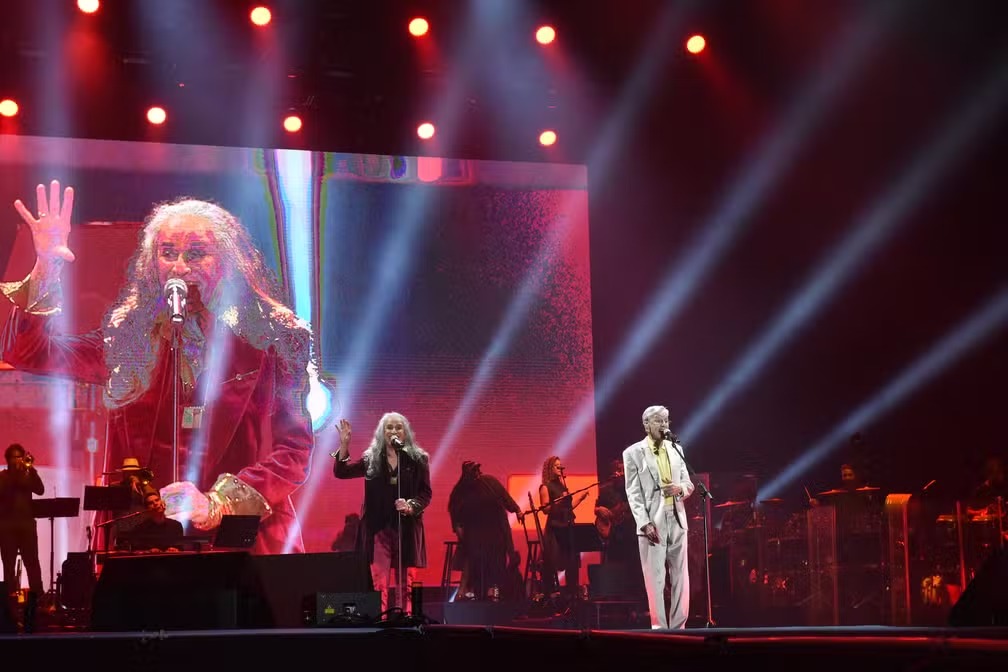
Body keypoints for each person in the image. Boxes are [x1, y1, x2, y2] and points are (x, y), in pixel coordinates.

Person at [1, 180, 316, 555]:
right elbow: (30, 351)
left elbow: (294, 451)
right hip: (143, 544)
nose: (179, 267)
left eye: (197, 253)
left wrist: (218, 503)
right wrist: (47, 266)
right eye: (167, 252)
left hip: (244, 543)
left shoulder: (277, 335)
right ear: (153, 262)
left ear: (229, 260)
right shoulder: (129, 336)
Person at [333, 413, 432, 615]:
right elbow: (342, 473)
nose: (393, 431)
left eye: (398, 427)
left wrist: (411, 505)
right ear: (382, 432)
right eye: (389, 427)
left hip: (406, 527)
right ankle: (382, 620)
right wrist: (344, 445)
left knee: (407, 582)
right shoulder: (371, 459)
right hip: (379, 529)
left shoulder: (417, 459)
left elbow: (425, 492)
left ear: (405, 432)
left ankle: (407, 620)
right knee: (379, 581)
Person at [623, 405, 694, 629]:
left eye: (666, 421)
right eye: (659, 421)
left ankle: (679, 627)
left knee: (680, 576)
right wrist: (644, 523)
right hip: (653, 521)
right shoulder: (633, 453)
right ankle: (660, 629)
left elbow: (689, 483)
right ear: (646, 425)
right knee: (655, 578)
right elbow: (633, 493)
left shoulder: (676, 449)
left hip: (678, 518)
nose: (664, 425)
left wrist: (680, 489)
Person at [447, 460, 523, 601]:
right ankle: (475, 591)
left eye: (477, 470)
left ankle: (493, 590)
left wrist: (516, 509)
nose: (477, 473)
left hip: (495, 530)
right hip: (475, 531)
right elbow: (455, 511)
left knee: (496, 557)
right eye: (473, 470)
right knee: (475, 557)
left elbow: (505, 497)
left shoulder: (490, 483)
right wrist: (458, 530)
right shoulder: (461, 491)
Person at [0, 443, 45, 632]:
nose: (18, 460)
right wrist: (19, 473)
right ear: (8, 460)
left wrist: (31, 470)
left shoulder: (29, 474)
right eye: (15, 457)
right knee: (8, 566)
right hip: (7, 527)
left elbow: (40, 490)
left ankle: (38, 605)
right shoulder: (3, 477)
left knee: (32, 564)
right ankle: (9, 609)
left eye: (21, 457)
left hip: (26, 525)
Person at [538, 455, 588, 597]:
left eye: (560, 465)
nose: (560, 468)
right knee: (554, 562)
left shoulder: (562, 485)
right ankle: (552, 594)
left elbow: (568, 507)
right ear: (550, 468)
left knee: (572, 562)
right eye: (556, 466)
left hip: (568, 526)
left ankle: (572, 594)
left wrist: (580, 498)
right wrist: (561, 500)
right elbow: (545, 509)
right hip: (556, 529)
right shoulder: (546, 486)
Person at [594, 458, 637, 565]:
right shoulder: (606, 489)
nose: (621, 473)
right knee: (614, 562)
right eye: (619, 470)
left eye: (624, 470)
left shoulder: (632, 489)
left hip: (630, 532)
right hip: (613, 534)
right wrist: (599, 509)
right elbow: (596, 508)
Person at [116, 491, 185, 552]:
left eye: (157, 500)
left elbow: (181, 547)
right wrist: (148, 551)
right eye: (150, 503)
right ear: (147, 509)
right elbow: (136, 549)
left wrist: (175, 549)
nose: (155, 504)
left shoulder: (176, 525)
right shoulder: (141, 528)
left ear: (162, 503)